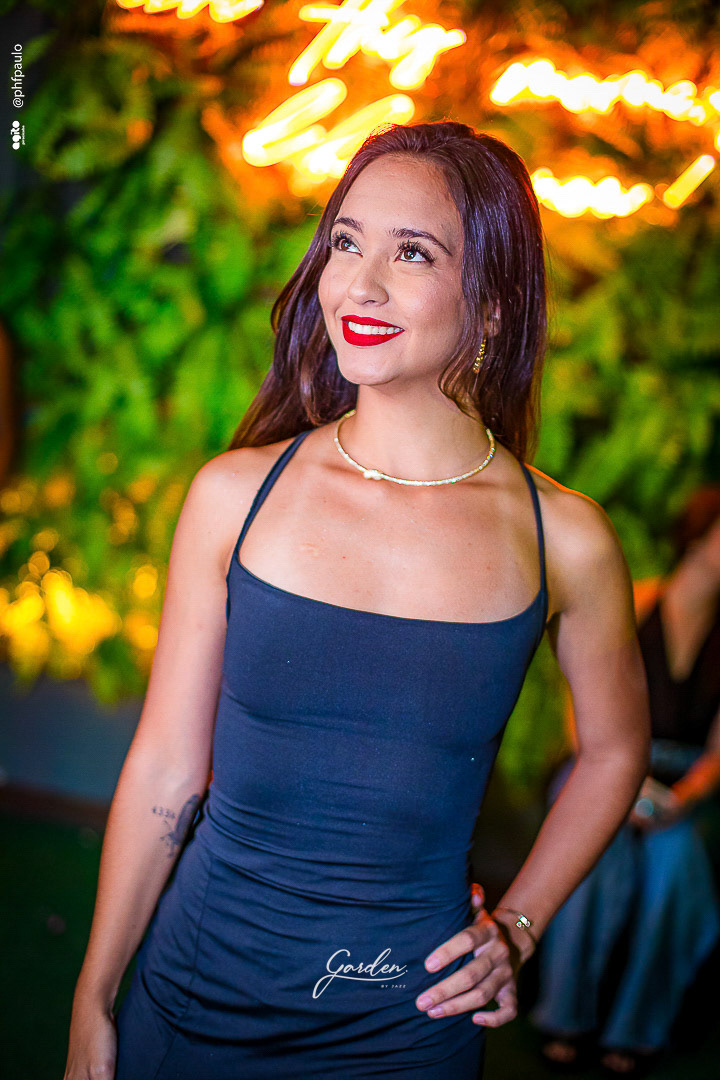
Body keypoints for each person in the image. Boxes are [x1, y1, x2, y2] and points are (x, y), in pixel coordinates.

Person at [64, 120, 650, 1080]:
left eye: (412, 253)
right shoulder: (234, 496)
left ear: (493, 306)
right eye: (346, 242)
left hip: (407, 1023)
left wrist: (520, 924)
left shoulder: (566, 539)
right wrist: (93, 997)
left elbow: (617, 750)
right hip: (194, 994)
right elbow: (167, 766)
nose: (360, 285)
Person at [532, 489, 720, 1075]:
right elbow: (580, 715)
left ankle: (637, 1030)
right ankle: (563, 1016)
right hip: (601, 760)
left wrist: (680, 800)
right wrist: (623, 783)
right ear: (699, 535)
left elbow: (719, 753)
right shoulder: (636, 601)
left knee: (676, 868)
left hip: (682, 784)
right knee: (593, 852)